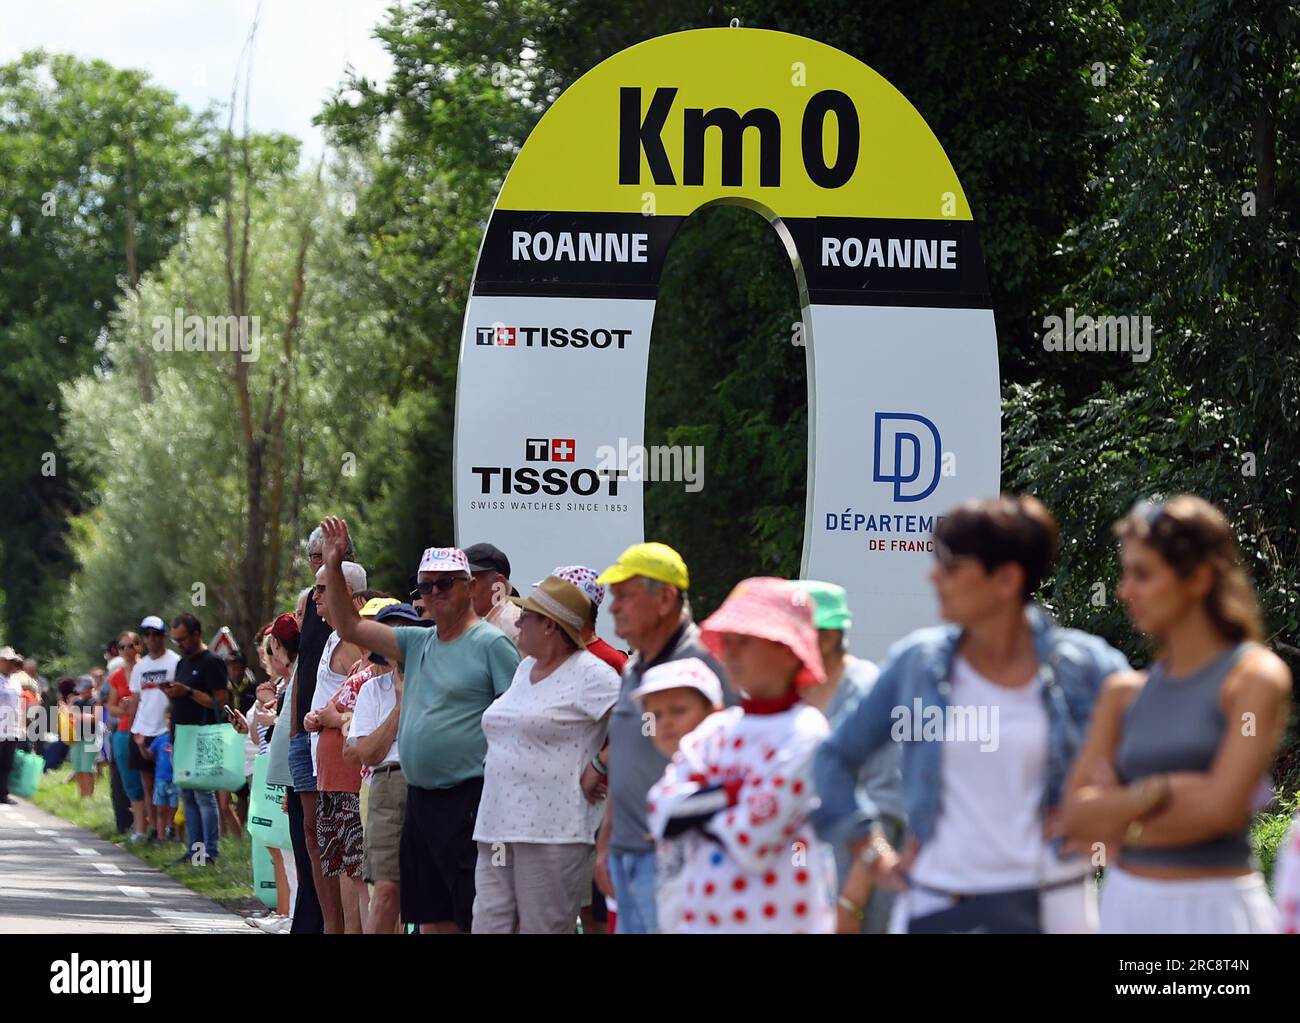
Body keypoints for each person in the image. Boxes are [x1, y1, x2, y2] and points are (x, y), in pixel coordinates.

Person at [812, 495, 1131, 934]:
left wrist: (1107, 814)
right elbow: (831, 757)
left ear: (1006, 580)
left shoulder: (1086, 666)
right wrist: (871, 849)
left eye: (951, 564)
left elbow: (1155, 755)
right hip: (935, 903)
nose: (933, 575)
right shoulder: (916, 664)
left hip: (1054, 904)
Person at [1062, 496, 1292, 933]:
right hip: (1124, 906)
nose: (1125, 591)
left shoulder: (1253, 678)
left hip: (1214, 912)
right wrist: (1157, 791)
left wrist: (1117, 816)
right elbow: (1073, 815)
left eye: (1143, 574)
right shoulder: (1122, 693)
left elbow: (1220, 812)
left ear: (1200, 578)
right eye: (1126, 573)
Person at [317, 518, 521, 934]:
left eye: (444, 584)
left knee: (468, 911)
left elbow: (515, 722)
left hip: (468, 797)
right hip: (420, 799)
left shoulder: (490, 644)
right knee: (430, 914)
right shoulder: (417, 641)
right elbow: (349, 626)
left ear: (467, 585)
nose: (433, 594)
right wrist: (335, 568)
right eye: (426, 586)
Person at [649, 577, 837, 933]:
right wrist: (734, 795)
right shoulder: (715, 729)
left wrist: (696, 804)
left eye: (745, 641)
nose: (729, 652)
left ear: (787, 650)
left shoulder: (807, 733)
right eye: (728, 641)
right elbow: (660, 811)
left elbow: (755, 838)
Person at [589, 542, 732, 934]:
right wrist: (606, 844)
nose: (613, 607)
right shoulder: (635, 665)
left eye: (624, 596)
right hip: (625, 853)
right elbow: (626, 755)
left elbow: (738, 759)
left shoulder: (709, 662)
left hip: (683, 857)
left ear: (665, 598)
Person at [472, 575, 621, 933]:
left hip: (552, 831)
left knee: (543, 927)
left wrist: (600, 764)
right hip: (497, 825)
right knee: (489, 925)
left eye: (527, 616)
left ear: (551, 625)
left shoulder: (592, 674)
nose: (518, 621)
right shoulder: (524, 669)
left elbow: (647, 723)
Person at [796, 581, 905, 934]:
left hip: (863, 894)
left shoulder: (868, 693)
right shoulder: (792, 691)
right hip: (805, 891)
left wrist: (848, 905)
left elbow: (882, 811)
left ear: (827, 639)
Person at [306, 594, 393, 934]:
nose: (366, 634)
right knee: (346, 868)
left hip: (357, 784)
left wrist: (336, 718)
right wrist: (333, 718)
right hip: (336, 779)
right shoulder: (360, 671)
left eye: (373, 627)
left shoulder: (372, 676)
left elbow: (332, 715)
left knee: (365, 875)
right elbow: (320, 717)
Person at [350, 602, 429, 934]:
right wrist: (401, 703)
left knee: (434, 893)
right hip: (388, 783)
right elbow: (366, 753)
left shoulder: (439, 683)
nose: (396, 638)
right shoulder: (371, 690)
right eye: (388, 633)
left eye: (403, 632)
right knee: (384, 891)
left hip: (432, 783)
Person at [629, 657, 723, 933]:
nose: (666, 722)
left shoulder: (725, 767)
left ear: (714, 713)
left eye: (679, 710)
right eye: (655, 715)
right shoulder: (674, 773)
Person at [299, 560, 368, 931]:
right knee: (339, 863)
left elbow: (362, 705)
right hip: (327, 770)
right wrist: (317, 717)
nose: (315, 596)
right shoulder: (331, 637)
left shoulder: (360, 642)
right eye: (316, 588)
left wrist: (329, 717)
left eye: (323, 589)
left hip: (350, 775)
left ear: (350, 595)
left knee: (357, 869)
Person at [288, 526, 349, 935]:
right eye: (313, 558)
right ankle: (317, 920)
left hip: (334, 738)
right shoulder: (307, 602)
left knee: (338, 840)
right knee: (311, 834)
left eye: (323, 557)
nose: (316, 567)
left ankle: (339, 924)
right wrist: (293, 730)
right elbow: (302, 667)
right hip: (303, 732)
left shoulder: (348, 606)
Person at [164, 613, 231, 865]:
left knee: (204, 795)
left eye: (183, 639)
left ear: (196, 634)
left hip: (204, 735)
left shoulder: (212, 662)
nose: (179, 644)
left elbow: (221, 700)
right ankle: (195, 850)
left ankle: (209, 852)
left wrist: (189, 691)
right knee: (188, 796)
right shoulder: (182, 663)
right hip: (182, 735)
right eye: (176, 640)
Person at [258, 612, 302, 933]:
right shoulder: (290, 679)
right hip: (292, 775)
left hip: (298, 774)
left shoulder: (297, 676)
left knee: (296, 850)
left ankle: (294, 915)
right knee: (288, 849)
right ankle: (290, 914)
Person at [129, 615, 180, 839]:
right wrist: (132, 728)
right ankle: (153, 829)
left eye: (155, 634)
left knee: (168, 782)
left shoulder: (175, 661)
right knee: (148, 784)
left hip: (165, 730)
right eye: (146, 634)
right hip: (143, 728)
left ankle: (170, 827)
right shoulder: (141, 666)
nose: (151, 639)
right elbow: (135, 699)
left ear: (164, 636)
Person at [107, 631, 148, 840]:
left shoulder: (148, 669)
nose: (125, 650)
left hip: (148, 728)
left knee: (151, 780)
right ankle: (139, 828)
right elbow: (110, 708)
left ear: (139, 647)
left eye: (129, 646)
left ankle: (156, 829)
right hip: (124, 730)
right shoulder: (117, 675)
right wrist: (126, 708)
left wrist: (136, 705)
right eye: (121, 647)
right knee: (131, 781)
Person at [465, 542, 521, 644]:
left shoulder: (513, 625)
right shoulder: (475, 623)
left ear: (498, 583)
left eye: (471, 581)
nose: (465, 590)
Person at [0, 647, 24, 803]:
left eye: (12, 662)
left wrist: (22, 725)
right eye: (6, 661)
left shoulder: (15, 682)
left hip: (12, 727)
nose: (9, 665)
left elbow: (19, 704)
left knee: (7, 762)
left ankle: (3, 793)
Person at [69, 676, 100, 798]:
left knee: (87, 768)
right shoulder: (77, 702)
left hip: (90, 738)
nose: (81, 692)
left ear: (91, 688)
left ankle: (89, 796)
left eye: (84, 689)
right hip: (77, 738)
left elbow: (95, 719)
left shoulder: (95, 701)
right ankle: (82, 796)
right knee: (78, 768)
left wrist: (77, 715)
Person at [149, 716, 179, 839]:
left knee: (176, 811)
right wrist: (141, 746)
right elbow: (149, 754)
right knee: (160, 810)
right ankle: (161, 838)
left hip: (176, 780)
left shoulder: (180, 739)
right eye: (168, 719)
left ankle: (174, 834)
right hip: (161, 779)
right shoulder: (160, 739)